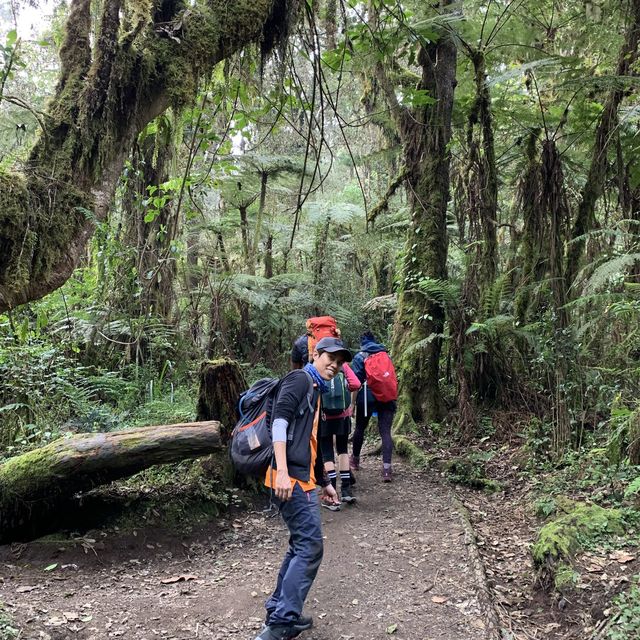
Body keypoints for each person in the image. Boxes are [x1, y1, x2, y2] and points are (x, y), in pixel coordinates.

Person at [256, 337, 352, 640]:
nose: (334, 365)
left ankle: (280, 610)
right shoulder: (299, 380)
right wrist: (282, 471)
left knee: (300, 544)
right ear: (316, 355)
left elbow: (310, 441)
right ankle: (281, 622)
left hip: (303, 478)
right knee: (310, 546)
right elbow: (280, 424)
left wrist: (325, 482)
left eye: (339, 362)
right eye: (330, 358)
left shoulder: (316, 389)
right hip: (289, 478)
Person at [349, 332, 398, 482]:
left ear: (361, 342)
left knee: (360, 428)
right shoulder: (385, 355)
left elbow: (355, 383)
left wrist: (352, 404)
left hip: (367, 397)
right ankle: (387, 469)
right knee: (385, 432)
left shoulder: (360, 357)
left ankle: (355, 460)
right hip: (387, 397)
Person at [318, 361, 361, 509]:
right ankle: (346, 489)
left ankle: (332, 490)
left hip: (324, 417)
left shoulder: (319, 365)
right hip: (342, 416)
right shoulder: (343, 365)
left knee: (327, 454)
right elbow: (356, 384)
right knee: (342, 450)